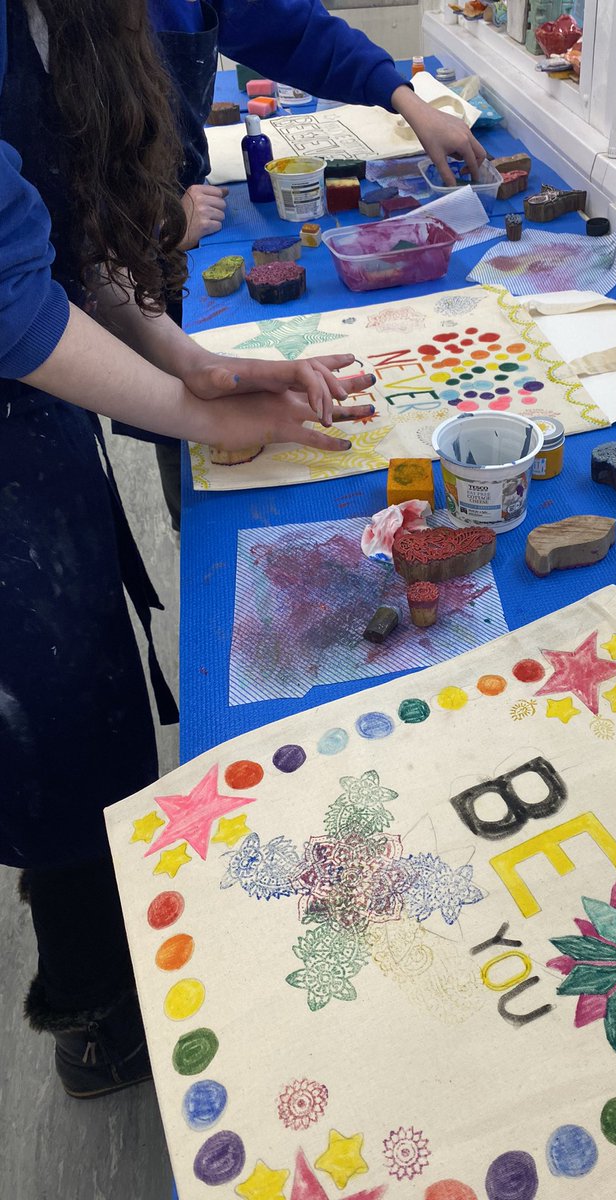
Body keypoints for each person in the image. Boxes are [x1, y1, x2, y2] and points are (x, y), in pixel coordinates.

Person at [1, 0, 455, 1099]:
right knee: (43, 704)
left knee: (90, 684)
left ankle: (126, 920)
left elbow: (58, 257)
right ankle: (95, 1004)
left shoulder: (92, 26)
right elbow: (10, 297)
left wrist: (188, 361)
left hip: (30, 377)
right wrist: (197, 411)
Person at [120, 0, 487, 531]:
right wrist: (152, 228)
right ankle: (185, 519)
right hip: (120, 263)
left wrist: (405, 99)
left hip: (138, 247)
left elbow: (293, 28)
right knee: (196, 478)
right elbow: (48, 275)